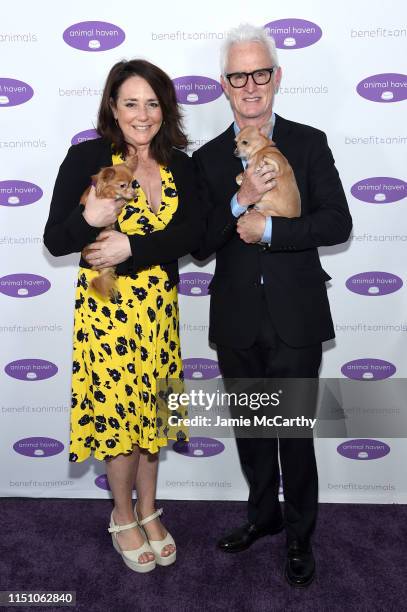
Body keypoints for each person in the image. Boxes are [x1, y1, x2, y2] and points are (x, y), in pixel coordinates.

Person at [192, 24, 352, 587]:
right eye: (239, 76)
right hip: (236, 318)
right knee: (253, 429)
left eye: (261, 73)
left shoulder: (309, 143)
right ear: (225, 86)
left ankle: (301, 536)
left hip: (296, 317)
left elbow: (337, 222)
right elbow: (200, 240)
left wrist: (267, 231)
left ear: (277, 78)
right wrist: (241, 199)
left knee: (293, 433)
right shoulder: (209, 158)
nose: (251, 85)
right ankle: (262, 517)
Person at [44, 59, 200, 573]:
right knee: (118, 419)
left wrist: (132, 245)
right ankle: (122, 517)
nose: (142, 113)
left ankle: (150, 510)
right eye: (131, 102)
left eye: (152, 103)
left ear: (165, 109)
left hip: (159, 313)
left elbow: (195, 239)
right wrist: (87, 218)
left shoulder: (181, 163)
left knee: (152, 416)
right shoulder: (88, 156)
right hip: (108, 313)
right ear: (113, 106)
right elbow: (56, 239)